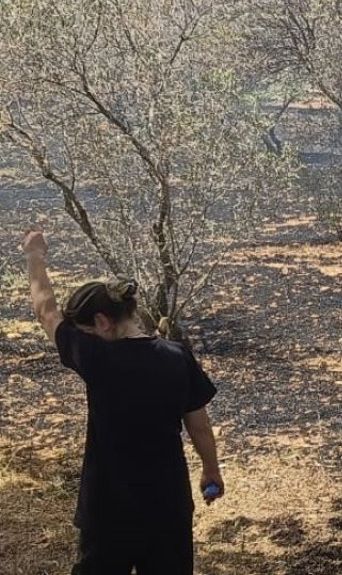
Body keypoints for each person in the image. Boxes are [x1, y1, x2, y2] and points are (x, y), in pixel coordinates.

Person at [21, 227, 224, 575]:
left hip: (108, 509)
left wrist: (34, 256)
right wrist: (211, 469)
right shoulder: (178, 357)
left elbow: (47, 312)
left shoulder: (97, 358)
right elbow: (199, 425)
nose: (86, 339)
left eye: (87, 332)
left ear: (102, 322)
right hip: (168, 505)